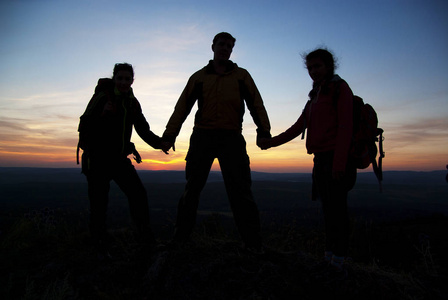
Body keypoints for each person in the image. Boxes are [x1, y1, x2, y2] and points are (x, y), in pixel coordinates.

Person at [161, 32, 271, 252]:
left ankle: (253, 244)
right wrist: (169, 135)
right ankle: (180, 239)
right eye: (222, 44)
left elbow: (256, 104)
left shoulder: (242, 76)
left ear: (232, 50)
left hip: (232, 138)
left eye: (229, 46)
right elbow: (182, 107)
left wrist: (264, 131)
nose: (225, 48)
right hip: (203, 137)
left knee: (241, 191)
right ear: (213, 46)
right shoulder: (199, 77)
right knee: (192, 189)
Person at [259, 49, 356, 270]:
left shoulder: (340, 89)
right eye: (310, 68)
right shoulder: (315, 96)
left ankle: (339, 259)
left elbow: (345, 128)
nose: (313, 71)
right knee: (329, 210)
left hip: (336, 160)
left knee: (337, 210)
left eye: (317, 66)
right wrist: (271, 142)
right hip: (321, 160)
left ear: (329, 66)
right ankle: (330, 256)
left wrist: (339, 163)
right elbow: (298, 126)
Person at [78, 63, 167, 258]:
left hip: (119, 160)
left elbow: (143, 130)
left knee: (138, 195)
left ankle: (145, 240)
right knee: (99, 204)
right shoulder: (102, 97)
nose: (124, 82)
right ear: (114, 78)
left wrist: (160, 144)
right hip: (97, 160)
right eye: (120, 78)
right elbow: (83, 128)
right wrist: (102, 114)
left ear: (132, 81)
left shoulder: (132, 103)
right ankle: (98, 244)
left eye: (127, 79)